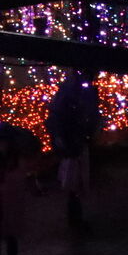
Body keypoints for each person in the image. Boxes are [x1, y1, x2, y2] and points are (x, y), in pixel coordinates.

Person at [46, 70, 101, 229]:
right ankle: (75, 219)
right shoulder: (74, 94)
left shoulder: (75, 91)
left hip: (75, 143)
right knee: (74, 182)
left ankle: (75, 217)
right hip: (73, 144)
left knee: (76, 182)